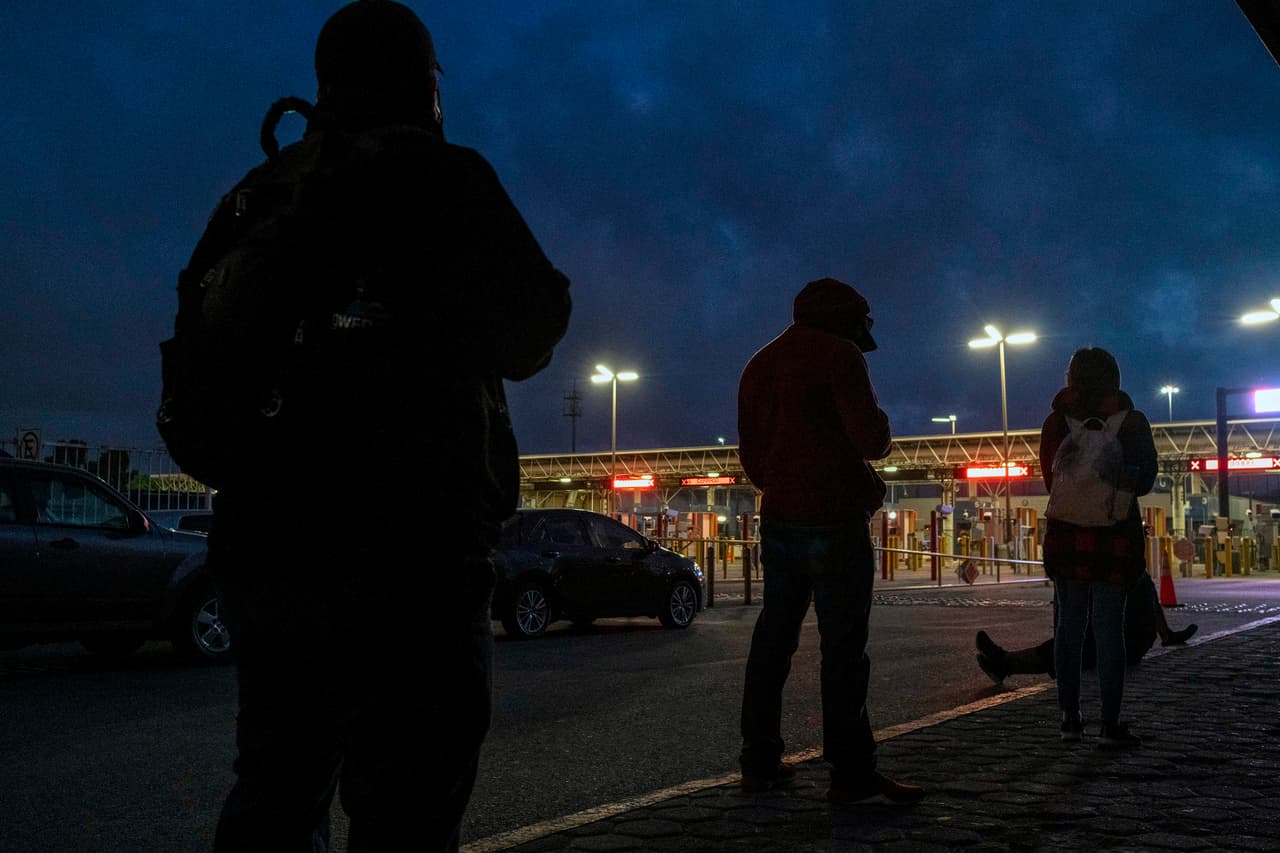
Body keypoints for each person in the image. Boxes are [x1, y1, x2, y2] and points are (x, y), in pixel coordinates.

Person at [206, 3, 571, 851]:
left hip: (268, 545)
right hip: (413, 549)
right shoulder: (443, 177)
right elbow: (534, 326)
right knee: (409, 800)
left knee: (276, 784)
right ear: (425, 85)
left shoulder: (263, 190)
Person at [736, 277, 924, 805]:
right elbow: (872, 439)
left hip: (780, 518)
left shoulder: (759, 363)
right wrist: (879, 421)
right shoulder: (841, 356)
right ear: (846, 319)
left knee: (773, 641)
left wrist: (781, 486)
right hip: (836, 519)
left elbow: (752, 455)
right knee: (843, 650)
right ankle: (851, 772)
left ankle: (759, 761)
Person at [1040, 347, 1156, 749]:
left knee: (1068, 628)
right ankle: (1110, 723)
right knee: (1109, 629)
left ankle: (1069, 720)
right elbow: (1144, 482)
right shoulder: (1132, 421)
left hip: (1066, 536)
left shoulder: (1056, 422)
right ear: (1114, 378)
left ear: (1071, 378)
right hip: (1115, 537)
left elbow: (1051, 481)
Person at [973, 572, 1198, 683]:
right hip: (1130, 641)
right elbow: (1152, 607)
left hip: (1120, 644)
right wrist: (1166, 634)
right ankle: (1004, 662)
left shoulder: (1111, 573)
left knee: (1069, 648)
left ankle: (1004, 663)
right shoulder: (1137, 573)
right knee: (1071, 646)